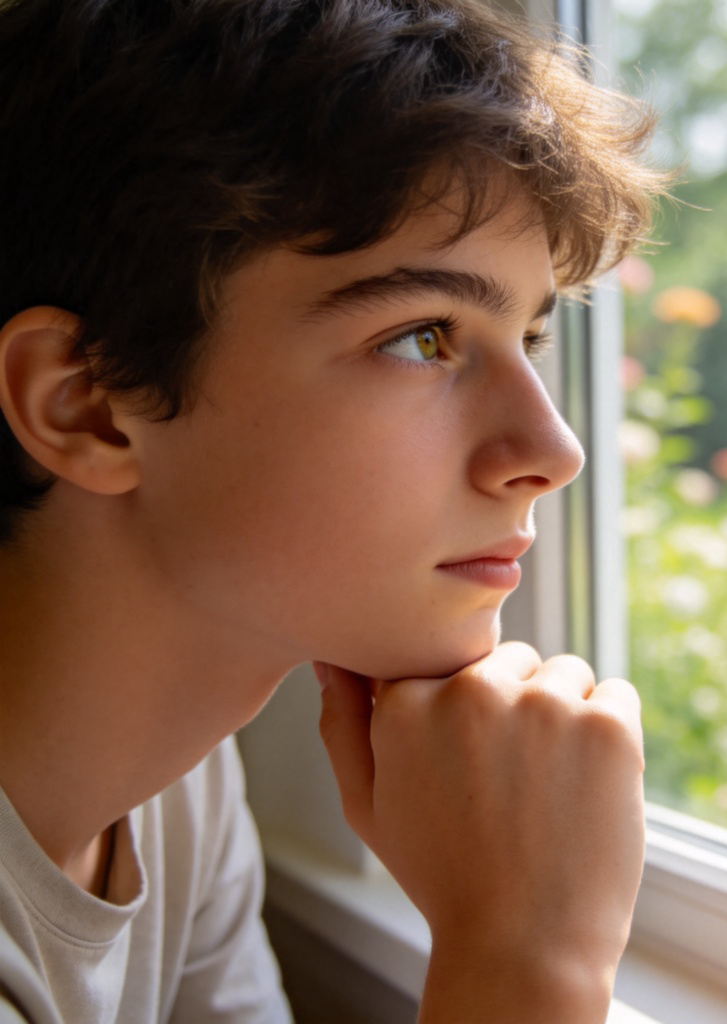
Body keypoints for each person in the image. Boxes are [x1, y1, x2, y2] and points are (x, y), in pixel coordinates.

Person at [0, 0, 662, 1020]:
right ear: (85, 401)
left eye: (523, 340)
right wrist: (527, 964)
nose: (553, 451)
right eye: (424, 337)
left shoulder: (172, 789)